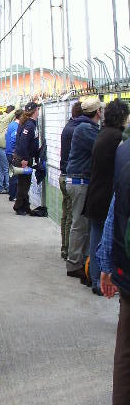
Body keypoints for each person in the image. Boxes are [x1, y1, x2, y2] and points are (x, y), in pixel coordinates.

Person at [96, 133, 130, 405]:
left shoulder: (124, 151)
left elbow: (113, 214)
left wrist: (107, 265)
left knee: (126, 353)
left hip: (127, 269)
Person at [84, 98, 128, 294]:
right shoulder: (117, 138)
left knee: (95, 237)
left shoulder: (103, 134)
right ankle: (98, 280)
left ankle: (93, 278)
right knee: (104, 240)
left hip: (95, 193)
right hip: (105, 195)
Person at [65, 96, 102, 279]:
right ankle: (73, 264)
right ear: (98, 112)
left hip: (78, 181)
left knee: (80, 224)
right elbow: (101, 146)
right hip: (80, 182)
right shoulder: (86, 128)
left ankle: (79, 261)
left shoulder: (82, 126)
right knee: (80, 225)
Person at [59, 101, 84, 260]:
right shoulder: (77, 130)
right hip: (71, 177)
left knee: (66, 215)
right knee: (71, 217)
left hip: (64, 175)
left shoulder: (68, 127)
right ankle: (68, 249)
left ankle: (65, 247)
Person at [13, 101, 40, 215]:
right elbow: (23, 142)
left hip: (24, 156)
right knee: (24, 184)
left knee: (24, 183)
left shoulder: (28, 123)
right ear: (35, 111)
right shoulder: (29, 125)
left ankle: (24, 205)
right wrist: (24, 159)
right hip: (24, 157)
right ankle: (19, 206)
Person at [0, 105, 16, 194]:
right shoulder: (8, 123)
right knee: (7, 169)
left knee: (0, 169)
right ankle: (8, 187)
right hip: (3, 148)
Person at [5, 108, 23, 202]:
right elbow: (13, 139)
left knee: (12, 173)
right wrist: (15, 151)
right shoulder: (16, 126)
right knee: (15, 174)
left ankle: (12, 194)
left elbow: (6, 136)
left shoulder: (11, 124)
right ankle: (14, 195)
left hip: (8, 152)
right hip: (12, 153)